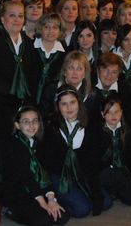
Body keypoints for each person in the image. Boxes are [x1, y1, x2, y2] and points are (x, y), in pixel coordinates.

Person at [38, 86, 112, 218]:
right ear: (58, 106)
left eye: (72, 102)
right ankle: (62, 200)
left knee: (105, 202)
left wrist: (95, 192)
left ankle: (80, 194)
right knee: (82, 210)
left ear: (79, 103)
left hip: (83, 173)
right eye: (64, 104)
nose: (69, 107)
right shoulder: (51, 128)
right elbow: (45, 163)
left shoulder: (90, 126)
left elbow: (92, 162)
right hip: (60, 176)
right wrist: (51, 196)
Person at [0, 1, 36, 170]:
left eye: (20, 15)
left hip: (19, 102)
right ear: (2, 18)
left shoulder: (28, 44)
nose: (17, 19)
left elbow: (31, 76)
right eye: (12, 15)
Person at [3, 106, 69, 226]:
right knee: (43, 221)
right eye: (26, 122)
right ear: (17, 125)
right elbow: (26, 177)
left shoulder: (40, 143)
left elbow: (45, 173)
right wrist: (43, 203)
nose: (31, 125)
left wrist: (51, 199)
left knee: (61, 216)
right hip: (19, 190)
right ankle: (12, 212)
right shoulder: (14, 145)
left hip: (36, 188)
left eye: (35, 121)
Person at [99, 95, 131, 206]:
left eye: (116, 112)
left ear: (121, 113)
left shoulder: (127, 131)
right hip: (104, 171)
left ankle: (116, 189)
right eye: (109, 112)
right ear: (102, 114)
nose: (113, 115)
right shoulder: (97, 132)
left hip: (121, 169)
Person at [30, 13, 66, 111]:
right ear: (41, 28)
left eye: (55, 27)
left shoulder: (65, 54)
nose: (51, 31)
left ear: (60, 31)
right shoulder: (29, 48)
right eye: (47, 27)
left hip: (52, 105)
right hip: (28, 100)